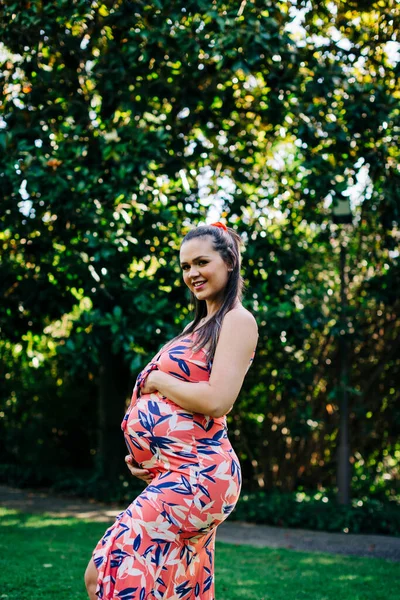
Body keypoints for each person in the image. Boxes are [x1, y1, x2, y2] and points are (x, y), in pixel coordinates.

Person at [84, 221, 258, 600]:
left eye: (201, 262)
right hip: (177, 471)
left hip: (201, 474)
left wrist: (160, 381)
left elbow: (216, 401)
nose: (192, 273)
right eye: (184, 266)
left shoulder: (237, 320)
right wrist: (152, 457)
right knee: (180, 586)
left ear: (229, 261)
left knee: (105, 571)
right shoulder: (198, 325)